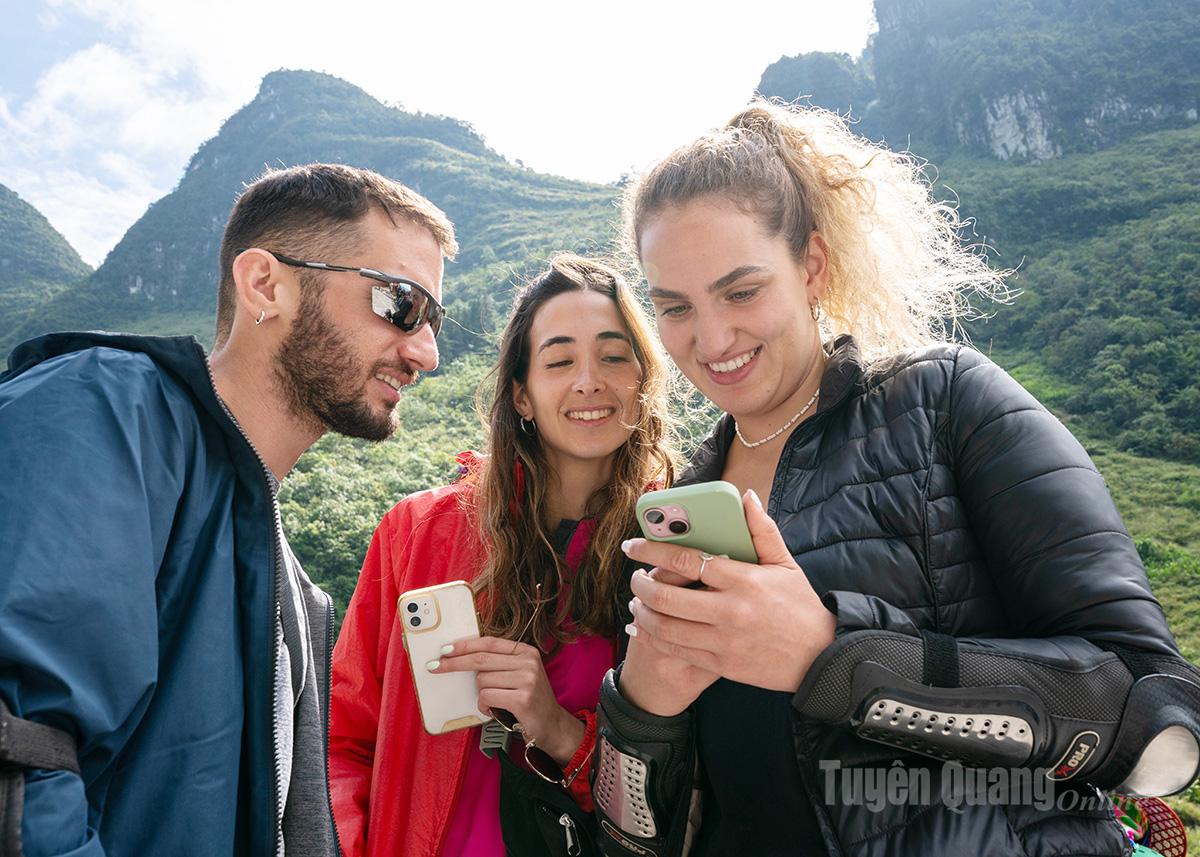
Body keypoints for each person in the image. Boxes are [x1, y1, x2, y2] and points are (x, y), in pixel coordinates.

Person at [592, 101, 1200, 857]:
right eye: (674, 306)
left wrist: (830, 654)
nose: (710, 338)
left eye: (741, 291)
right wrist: (644, 704)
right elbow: (630, 837)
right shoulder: (683, 500)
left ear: (810, 265)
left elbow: (1157, 716)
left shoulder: (946, 401)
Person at [0, 162, 456, 855]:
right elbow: (20, 749)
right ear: (265, 284)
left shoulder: (291, 584)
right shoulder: (107, 411)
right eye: (401, 302)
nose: (425, 349)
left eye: (435, 318)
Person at [328, 255, 676, 857]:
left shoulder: (670, 551)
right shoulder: (418, 532)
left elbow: (694, 786)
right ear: (522, 395)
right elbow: (342, 738)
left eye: (614, 357)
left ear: (643, 381)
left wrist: (560, 730)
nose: (588, 380)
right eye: (560, 360)